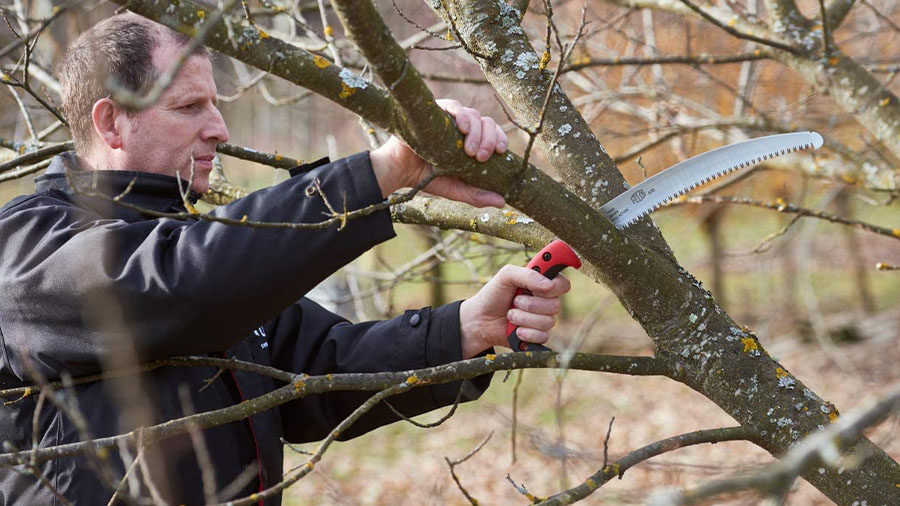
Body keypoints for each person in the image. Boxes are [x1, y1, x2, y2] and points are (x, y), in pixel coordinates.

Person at [0, 12, 570, 505]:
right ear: (109, 121)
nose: (219, 129)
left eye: (215, 105)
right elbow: (178, 284)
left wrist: (467, 328)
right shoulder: (27, 245)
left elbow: (318, 368)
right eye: (190, 106)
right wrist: (384, 171)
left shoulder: (207, 255)